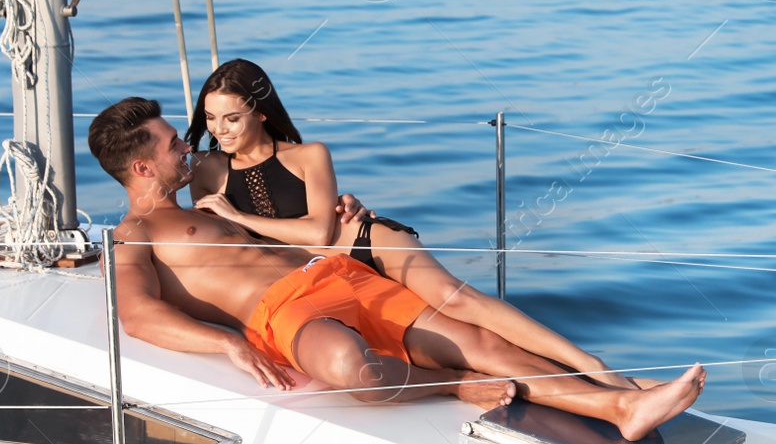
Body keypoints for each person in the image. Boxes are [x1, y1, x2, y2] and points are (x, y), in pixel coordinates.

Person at [89, 97, 704, 441]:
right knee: (353, 372)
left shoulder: (206, 187)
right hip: (284, 312)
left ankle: (620, 405)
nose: (187, 145)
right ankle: (452, 383)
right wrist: (226, 343)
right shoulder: (134, 234)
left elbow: (285, 189)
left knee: (482, 340)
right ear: (141, 168)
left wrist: (347, 209)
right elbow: (138, 315)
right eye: (172, 143)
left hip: (336, 274)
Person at [183, 58, 650, 391]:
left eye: (233, 118)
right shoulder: (206, 169)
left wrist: (237, 215)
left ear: (261, 113)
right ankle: (590, 385)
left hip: (369, 243)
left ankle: (592, 365)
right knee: (467, 341)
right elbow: (227, 245)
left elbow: (318, 233)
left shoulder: (309, 154)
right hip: (324, 275)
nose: (220, 129)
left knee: (464, 302)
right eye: (210, 118)